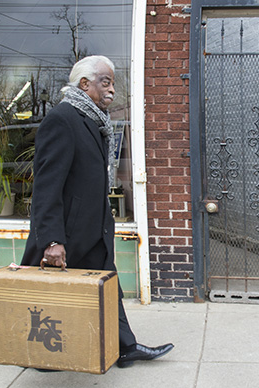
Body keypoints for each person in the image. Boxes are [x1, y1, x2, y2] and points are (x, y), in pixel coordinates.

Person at [21, 55, 173, 369]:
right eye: (106, 82)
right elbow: (47, 187)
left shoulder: (93, 121)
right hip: (68, 233)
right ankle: (38, 354)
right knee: (51, 297)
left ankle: (125, 347)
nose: (112, 90)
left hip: (94, 229)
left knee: (108, 286)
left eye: (113, 83)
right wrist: (51, 240)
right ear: (84, 84)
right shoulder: (62, 119)